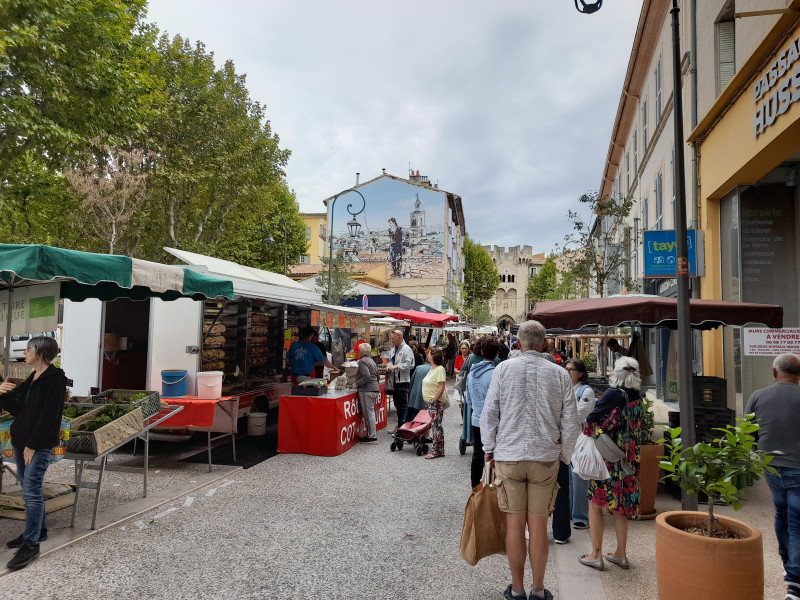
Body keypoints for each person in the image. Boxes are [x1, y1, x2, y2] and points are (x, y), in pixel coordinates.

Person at [480, 320, 580, 600]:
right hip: (545, 458)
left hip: (509, 456)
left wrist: (489, 448)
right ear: (545, 343)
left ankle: (517, 588)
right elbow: (571, 422)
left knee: (514, 524)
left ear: (519, 343)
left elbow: (490, 414)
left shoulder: (503, 369)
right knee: (538, 526)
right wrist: (564, 456)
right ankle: (538, 589)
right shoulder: (560, 375)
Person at [0, 336, 68, 570]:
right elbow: (20, 410)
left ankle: (30, 545)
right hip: (21, 441)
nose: (25, 352)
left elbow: (49, 417)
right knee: (29, 487)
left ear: (40, 352)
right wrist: (1, 392)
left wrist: (33, 444)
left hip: (36, 444)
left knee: (31, 489)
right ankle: (38, 532)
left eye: (28, 348)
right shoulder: (34, 377)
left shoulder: (54, 380)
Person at [578, 356, 643, 572]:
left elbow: (591, 420)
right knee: (620, 508)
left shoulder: (613, 394)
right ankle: (621, 554)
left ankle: (596, 554)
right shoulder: (636, 396)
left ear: (616, 372)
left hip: (608, 460)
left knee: (596, 505)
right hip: (628, 459)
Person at [745, 353, 800, 600]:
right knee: (796, 521)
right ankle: (794, 581)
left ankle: (788, 564)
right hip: (798, 468)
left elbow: (747, 433)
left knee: (782, 514)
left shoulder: (758, 395)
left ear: (774, 372)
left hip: (771, 466)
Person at [552, 358, 596, 542]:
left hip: (579, 440)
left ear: (581, 373)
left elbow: (576, 415)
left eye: (572, 369)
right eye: (566, 369)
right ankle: (569, 512)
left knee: (578, 478)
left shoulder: (586, 391)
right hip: (564, 440)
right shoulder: (563, 389)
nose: (568, 372)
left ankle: (580, 517)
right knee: (566, 479)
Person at [465, 336, 499, 488]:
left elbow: (469, 399)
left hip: (476, 418)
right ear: (497, 354)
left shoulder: (472, 373)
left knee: (477, 453)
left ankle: (475, 488)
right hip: (492, 421)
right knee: (494, 455)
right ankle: (491, 487)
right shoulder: (496, 374)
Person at [421, 346, 447, 459]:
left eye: (429, 353)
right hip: (431, 403)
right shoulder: (432, 368)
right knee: (436, 427)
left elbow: (441, 387)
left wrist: (433, 400)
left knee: (436, 427)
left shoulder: (440, 369)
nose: (427, 355)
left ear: (433, 356)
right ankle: (439, 450)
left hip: (435, 403)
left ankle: (436, 451)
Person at [386, 329, 414, 431]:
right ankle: (399, 426)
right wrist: (389, 366)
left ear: (400, 338)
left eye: (393, 338)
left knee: (402, 406)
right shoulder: (393, 348)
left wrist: (396, 367)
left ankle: (403, 428)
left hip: (403, 381)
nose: (392, 340)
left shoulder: (406, 349)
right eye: (391, 338)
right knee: (397, 405)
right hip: (394, 380)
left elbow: (410, 364)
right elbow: (390, 360)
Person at [354, 343, 379, 445]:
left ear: (360, 352)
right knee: (371, 412)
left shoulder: (362, 362)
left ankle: (371, 437)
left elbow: (366, 377)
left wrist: (356, 384)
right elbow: (377, 375)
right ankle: (372, 435)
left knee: (368, 413)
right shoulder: (372, 361)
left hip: (366, 390)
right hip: (374, 388)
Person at [407, 349, 432, 425]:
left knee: (411, 417)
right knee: (423, 419)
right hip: (425, 397)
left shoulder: (418, 368)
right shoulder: (433, 369)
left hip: (414, 395)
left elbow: (411, 381)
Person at [454, 340, 471, 408]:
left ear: (468, 348)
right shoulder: (457, 357)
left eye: (465, 348)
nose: (464, 350)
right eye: (462, 348)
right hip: (460, 377)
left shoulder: (470, 357)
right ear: (460, 349)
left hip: (468, 377)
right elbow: (455, 369)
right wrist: (462, 372)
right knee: (460, 392)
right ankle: (462, 401)